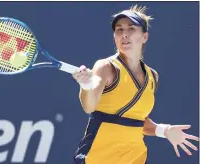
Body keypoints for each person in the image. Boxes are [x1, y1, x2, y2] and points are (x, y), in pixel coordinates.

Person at [72, 5, 199, 164]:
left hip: (135, 158)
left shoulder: (153, 76)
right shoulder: (106, 67)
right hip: (97, 158)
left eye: (131, 29)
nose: (124, 34)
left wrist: (164, 130)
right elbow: (89, 106)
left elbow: (136, 120)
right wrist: (86, 86)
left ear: (144, 37)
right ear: (114, 37)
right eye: (119, 30)